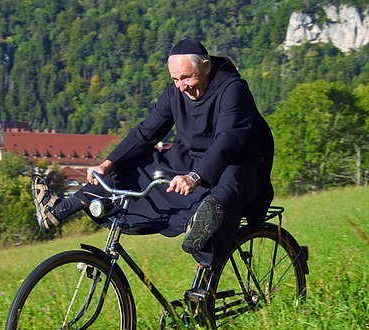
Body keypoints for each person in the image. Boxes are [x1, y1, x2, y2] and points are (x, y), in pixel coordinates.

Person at [33, 38, 274, 266]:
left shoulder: (233, 89)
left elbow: (229, 140)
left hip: (241, 161)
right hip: (193, 159)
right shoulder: (175, 92)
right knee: (135, 167)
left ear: (207, 67)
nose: (181, 87)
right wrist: (107, 164)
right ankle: (59, 210)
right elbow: (146, 133)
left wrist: (195, 176)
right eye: (175, 79)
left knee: (221, 197)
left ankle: (203, 254)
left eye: (186, 78)